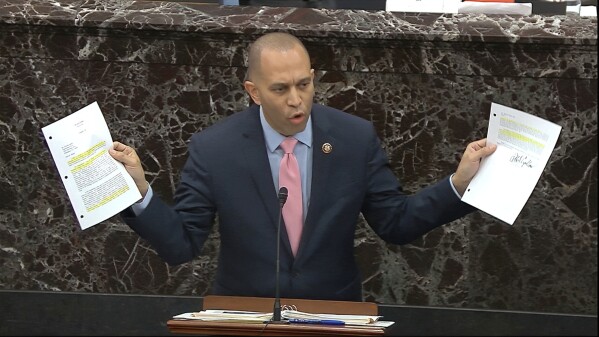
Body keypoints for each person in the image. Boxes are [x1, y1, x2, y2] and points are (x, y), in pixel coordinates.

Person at [109, 32, 496, 301]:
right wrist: (140, 191)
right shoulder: (215, 149)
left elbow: (396, 222)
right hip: (245, 315)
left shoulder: (353, 139)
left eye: (304, 85)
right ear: (254, 92)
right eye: (280, 89)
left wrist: (459, 183)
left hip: (332, 312)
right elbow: (181, 244)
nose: (297, 100)